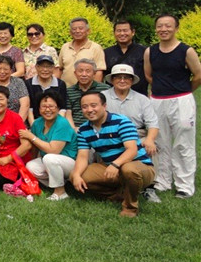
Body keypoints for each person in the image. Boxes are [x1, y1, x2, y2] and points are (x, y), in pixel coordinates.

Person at [144, 14, 201, 198]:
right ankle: (162, 180)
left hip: (181, 101)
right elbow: (149, 75)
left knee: (184, 143)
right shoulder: (150, 51)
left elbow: (198, 75)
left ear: (176, 28)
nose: (164, 29)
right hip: (157, 101)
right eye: (160, 26)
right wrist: (162, 89)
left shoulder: (186, 51)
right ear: (156, 29)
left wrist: (184, 91)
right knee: (159, 142)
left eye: (168, 26)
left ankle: (184, 185)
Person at [72, 92, 155, 217]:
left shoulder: (121, 121)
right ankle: (118, 195)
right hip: (110, 167)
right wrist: (76, 175)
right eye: (85, 107)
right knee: (81, 175)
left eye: (94, 105)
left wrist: (115, 164)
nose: (89, 110)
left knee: (129, 170)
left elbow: (132, 150)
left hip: (139, 165)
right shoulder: (84, 129)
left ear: (104, 106)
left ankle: (130, 208)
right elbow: (82, 156)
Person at [102, 64, 161, 203]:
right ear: (112, 80)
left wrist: (150, 139)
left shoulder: (142, 99)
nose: (122, 80)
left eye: (126, 77)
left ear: (132, 80)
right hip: (111, 135)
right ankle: (110, 183)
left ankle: (150, 187)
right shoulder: (103, 97)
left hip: (137, 134)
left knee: (151, 147)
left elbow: (153, 123)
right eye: (118, 77)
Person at [18, 92, 77, 201]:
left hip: (70, 162)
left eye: (51, 106)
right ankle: (61, 183)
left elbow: (54, 150)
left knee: (49, 158)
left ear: (58, 108)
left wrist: (31, 137)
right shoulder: (37, 123)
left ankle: (60, 192)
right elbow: (35, 147)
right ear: (39, 109)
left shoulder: (62, 123)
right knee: (31, 166)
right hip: (50, 161)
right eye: (44, 106)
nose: (47, 110)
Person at [57, 17, 106, 86]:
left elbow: (99, 72)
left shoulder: (96, 48)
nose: (77, 31)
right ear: (70, 32)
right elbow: (60, 69)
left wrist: (94, 90)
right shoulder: (65, 47)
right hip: (66, 89)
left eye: (81, 28)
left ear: (88, 31)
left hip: (87, 90)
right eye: (74, 29)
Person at [104, 19, 147, 97]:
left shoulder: (144, 51)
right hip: (112, 97)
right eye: (119, 31)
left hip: (139, 96)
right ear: (114, 33)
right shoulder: (106, 52)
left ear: (133, 32)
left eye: (125, 30)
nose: (122, 33)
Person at [65, 58, 110, 129]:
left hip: (101, 127)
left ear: (94, 73)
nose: (84, 74)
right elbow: (68, 113)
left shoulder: (105, 89)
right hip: (76, 127)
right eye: (80, 71)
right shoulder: (69, 91)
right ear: (75, 73)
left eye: (88, 71)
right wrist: (74, 130)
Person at [24, 54, 68, 122]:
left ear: (53, 68)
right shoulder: (28, 84)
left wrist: (56, 125)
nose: (45, 70)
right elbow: (29, 108)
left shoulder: (61, 84)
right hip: (34, 120)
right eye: (42, 66)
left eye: (48, 67)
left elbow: (62, 108)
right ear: (36, 67)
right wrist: (34, 126)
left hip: (55, 121)